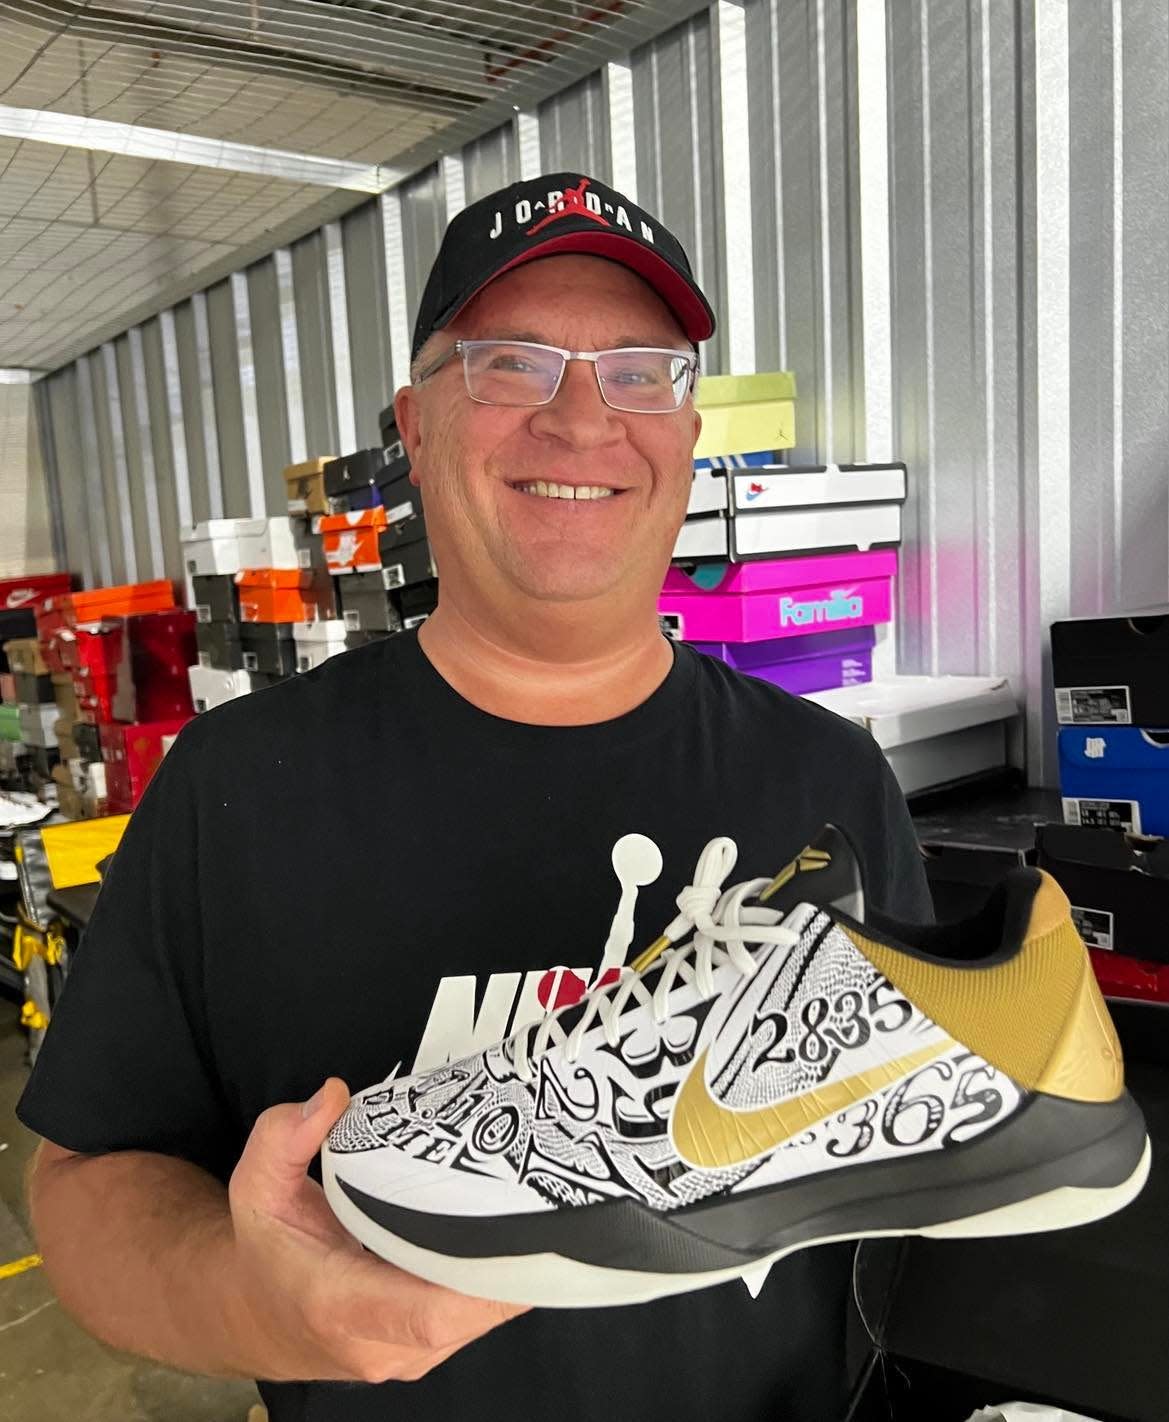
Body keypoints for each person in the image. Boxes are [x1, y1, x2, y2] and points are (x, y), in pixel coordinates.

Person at [19, 173, 932, 1422]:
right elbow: (85, 1181)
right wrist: (252, 1298)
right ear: (413, 422)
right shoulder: (233, 786)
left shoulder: (831, 782)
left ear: (685, 425)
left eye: (636, 369)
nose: (579, 420)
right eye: (511, 362)